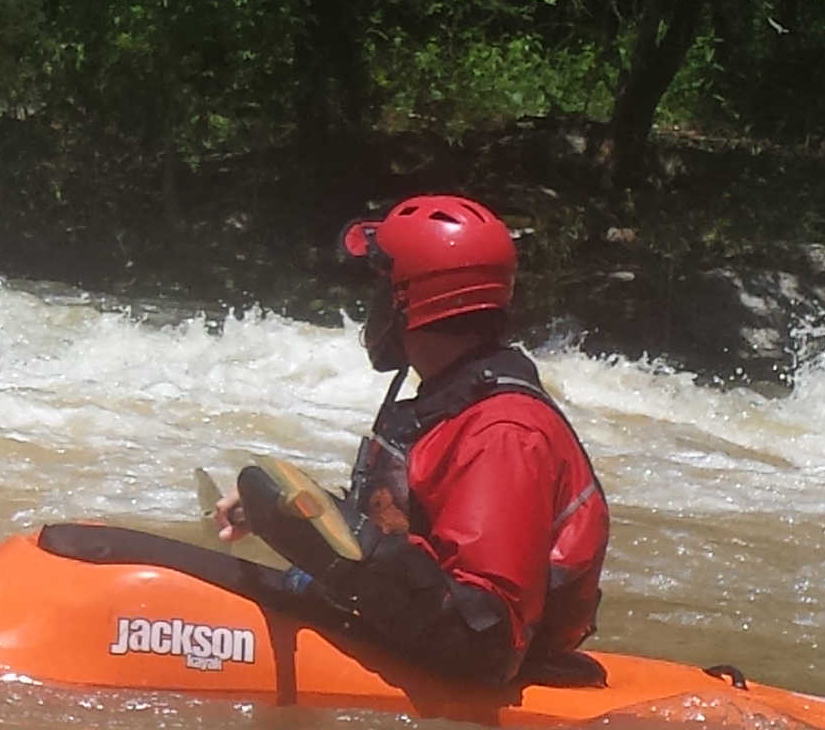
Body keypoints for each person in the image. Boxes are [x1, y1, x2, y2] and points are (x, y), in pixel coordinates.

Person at [213, 193, 609, 687]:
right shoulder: (452, 403)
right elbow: (408, 534)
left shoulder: (503, 434)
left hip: (468, 670)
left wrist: (337, 554)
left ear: (409, 302)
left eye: (381, 290)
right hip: (399, 632)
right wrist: (308, 518)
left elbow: (482, 640)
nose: (372, 307)